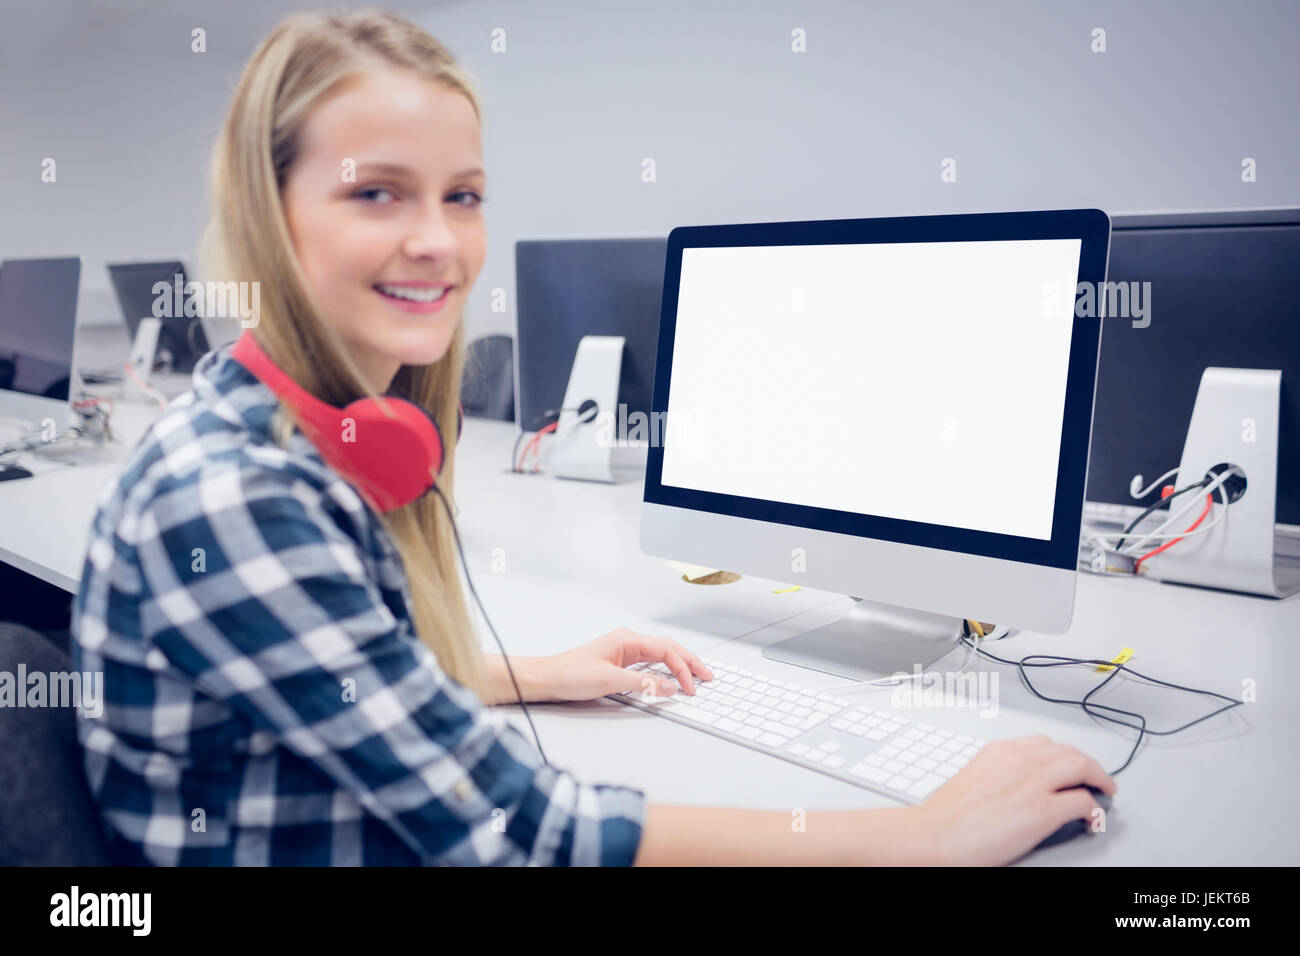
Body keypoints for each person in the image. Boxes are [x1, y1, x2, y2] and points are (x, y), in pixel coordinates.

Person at [71, 8, 1114, 866]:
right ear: (271, 208)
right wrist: (925, 832)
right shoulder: (235, 497)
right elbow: (533, 835)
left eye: (462, 195)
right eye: (375, 191)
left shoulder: (260, 419)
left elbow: (314, 673)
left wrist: (521, 669)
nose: (437, 239)